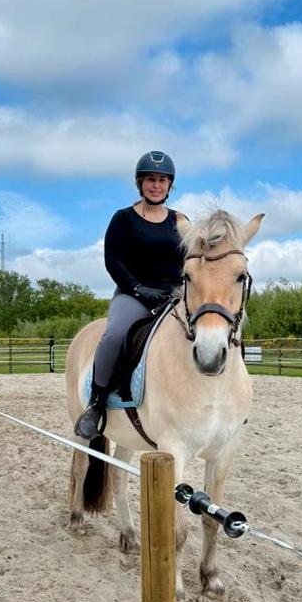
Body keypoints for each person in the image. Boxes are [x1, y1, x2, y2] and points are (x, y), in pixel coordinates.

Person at [74, 150, 189, 439]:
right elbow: (113, 260)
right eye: (150, 179)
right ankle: (97, 403)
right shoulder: (123, 219)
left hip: (174, 296)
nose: (156, 185)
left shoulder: (181, 221)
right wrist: (138, 289)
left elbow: (192, 258)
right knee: (115, 334)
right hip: (133, 294)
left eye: (162, 180)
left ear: (169, 185)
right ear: (140, 183)